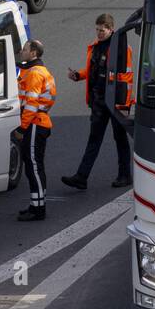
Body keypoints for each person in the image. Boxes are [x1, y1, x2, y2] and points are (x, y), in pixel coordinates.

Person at [62, 13, 134, 190]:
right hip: (99, 101)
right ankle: (81, 177)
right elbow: (92, 70)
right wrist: (78, 75)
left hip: (115, 102)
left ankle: (125, 175)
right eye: (97, 30)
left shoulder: (121, 48)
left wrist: (123, 105)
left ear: (111, 29)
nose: (99, 33)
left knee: (120, 138)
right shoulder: (95, 47)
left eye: (102, 30)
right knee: (94, 139)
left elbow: (126, 77)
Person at [16, 39, 56, 222]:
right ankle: (36, 204)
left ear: (33, 53)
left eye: (25, 49)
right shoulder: (36, 70)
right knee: (34, 165)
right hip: (39, 122)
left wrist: (22, 128)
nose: (22, 51)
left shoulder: (34, 73)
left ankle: (39, 209)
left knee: (33, 166)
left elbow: (31, 104)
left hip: (34, 123)